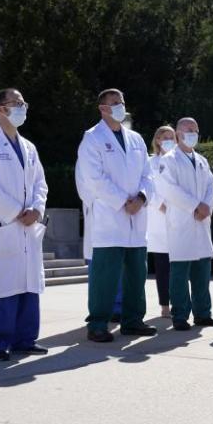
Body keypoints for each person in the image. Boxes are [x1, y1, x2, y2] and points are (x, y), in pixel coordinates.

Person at [0, 88, 49, 360]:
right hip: (2, 223)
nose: (22, 108)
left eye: (23, 103)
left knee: (28, 285)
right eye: (16, 103)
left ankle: (25, 339)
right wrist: (16, 211)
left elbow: (40, 183)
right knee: (0, 286)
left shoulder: (29, 147)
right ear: (0, 109)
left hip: (28, 225)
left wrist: (36, 209)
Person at [74, 88, 157, 342]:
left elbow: (148, 174)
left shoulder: (136, 139)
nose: (120, 105)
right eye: (114, 102)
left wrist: (141, 197)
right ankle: (98, 323)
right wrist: (123, 201)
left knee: (136, 274)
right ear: (102, 109)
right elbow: (94, 178)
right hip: (110, 218)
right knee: (105, 276)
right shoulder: (92, 138)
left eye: (121, 101)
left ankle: (133, 321)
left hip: (136, 217)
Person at [157, 117, 213, 331]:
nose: (193, 133)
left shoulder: (202, 160)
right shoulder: (168, 160)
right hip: (182, 222)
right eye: (188, 130)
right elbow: (170, 190)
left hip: (201, 222)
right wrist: (196, 205)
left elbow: (211, 185)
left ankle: (203, 314)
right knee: (179, 273)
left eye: (195, 129)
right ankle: (179, 316)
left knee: (202, 272)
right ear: (178, 133)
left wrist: (206, 206)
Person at [147, 125, 177, 318]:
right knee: (163, 267)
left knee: (179, 267)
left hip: (179, 218)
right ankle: (165, 305)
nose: (168, 140)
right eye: (164, 137)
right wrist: (161, 205)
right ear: (157, 140)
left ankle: (180, 302)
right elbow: (148, 187)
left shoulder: (180, 161)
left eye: (171, 137)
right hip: (158, 219)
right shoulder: (150, 162)